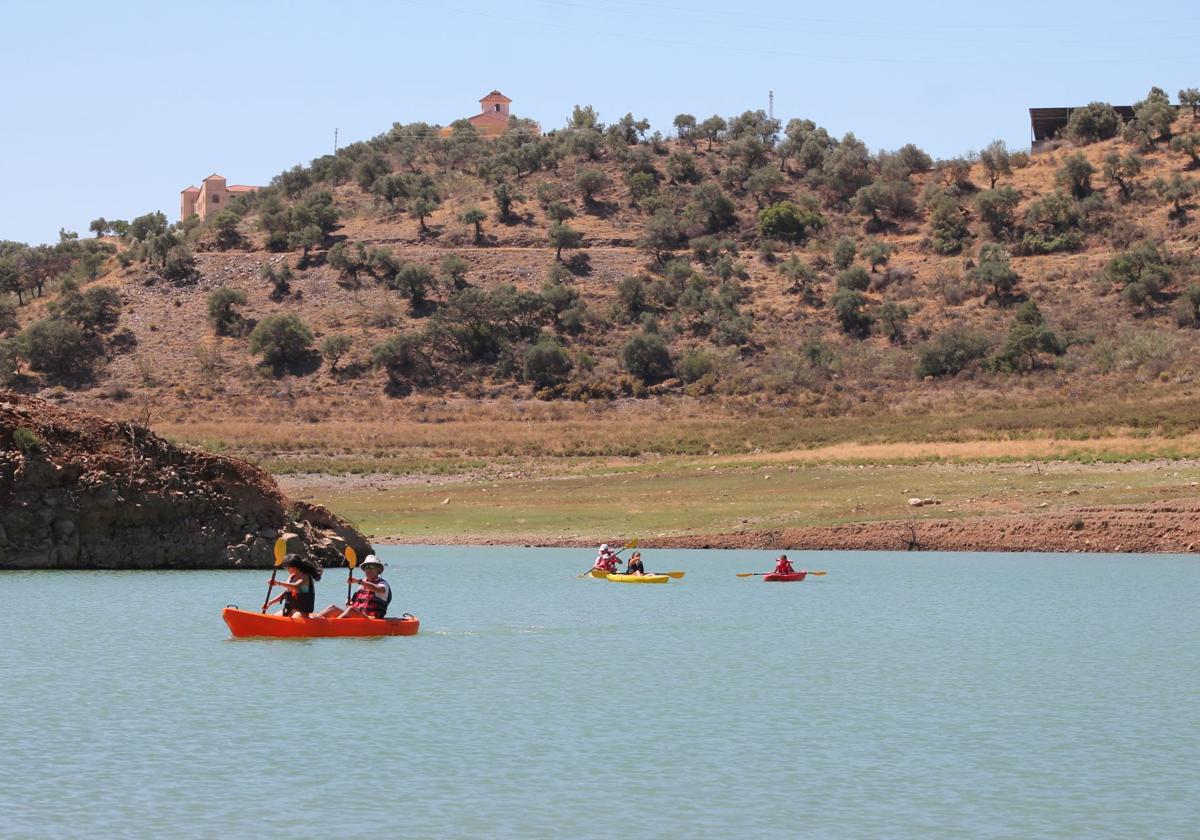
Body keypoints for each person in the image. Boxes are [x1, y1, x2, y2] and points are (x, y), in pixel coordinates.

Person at [317, 555, 392, 619]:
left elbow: (378, 589)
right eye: (366, 567)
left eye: (372, 566)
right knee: (332, 608)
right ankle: (315, 620)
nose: (369, 569)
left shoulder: (382, 584)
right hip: (358, 616)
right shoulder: (361, 585)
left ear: (378, 569)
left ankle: (333, 626)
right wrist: (349, 602)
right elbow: (354, 605)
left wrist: (359, 581)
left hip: (372, 619)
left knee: (351, 610)